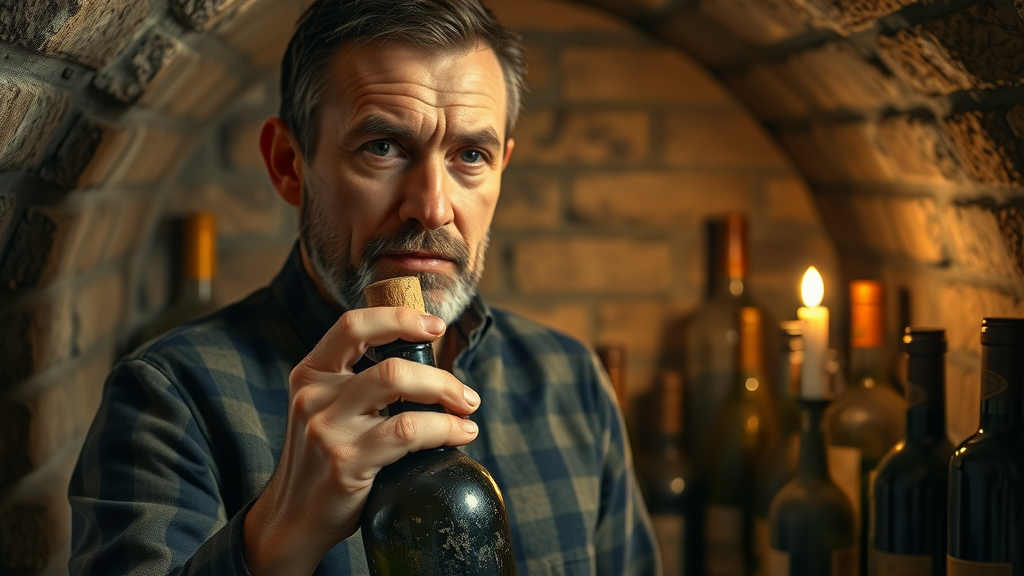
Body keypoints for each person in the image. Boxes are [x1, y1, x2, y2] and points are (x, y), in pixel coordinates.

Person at [68, 0, 658, 574]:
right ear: (288, 164)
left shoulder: (571, 381)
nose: (431, 208)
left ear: (501, 167)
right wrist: (279, 534)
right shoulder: (170, 400)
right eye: (383, 147)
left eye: (470, 155)